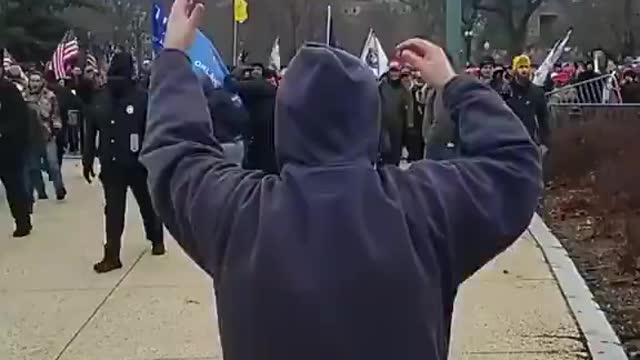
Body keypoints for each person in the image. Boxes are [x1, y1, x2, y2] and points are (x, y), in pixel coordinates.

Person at [140, 1, 542, 359]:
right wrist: (454, 85)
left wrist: (175, 56)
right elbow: (515, 166)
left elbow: (176, 152)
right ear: (369, 122)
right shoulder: (423, 209)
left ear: (287, 123)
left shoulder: (240, 216)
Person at [83, 52, 165, 274]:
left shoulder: (130, 98)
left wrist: (87, 159)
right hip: (130, 162)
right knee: (142, 205)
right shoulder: (139, 97)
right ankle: (153, 240)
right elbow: (154, 131)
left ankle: (115, 254)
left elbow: (90, 132)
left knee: (117, 211)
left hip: (121, 162)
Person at [0, 53, 33, 237]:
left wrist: (3, 131)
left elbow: (20, 120)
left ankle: (22, 221)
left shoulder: (9, 90)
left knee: (14, 188)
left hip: (8, 150)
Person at [23, 71, 67, 201]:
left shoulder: (50, 96)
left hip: (47, 135)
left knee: (53, 165)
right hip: (30, 137)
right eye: (32, 81)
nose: (35, 83)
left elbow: (56, 115)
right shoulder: (23, 97)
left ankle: (59, 189)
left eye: (37, 80)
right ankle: (41, 192)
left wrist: (57, 128)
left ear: (42, 82)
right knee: (33, 168)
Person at [505, 55, 550, 150]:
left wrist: (545, 143)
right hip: (508, 140)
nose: (524, 70)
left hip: (529, 141)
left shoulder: (537, 92)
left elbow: (543, 119)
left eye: (526, 67)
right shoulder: (506, 91)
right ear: (515, 70)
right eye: (521, 67)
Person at [379, 61, 410, 165]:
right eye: (392, 71)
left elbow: (408, 110)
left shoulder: (403, 89)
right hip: (383, 128)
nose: (394, 74)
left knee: (394, 159)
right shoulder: (381, 86)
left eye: (396, 71)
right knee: (383, 158)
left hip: (398, 130)